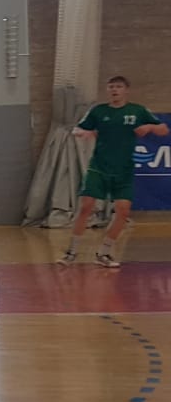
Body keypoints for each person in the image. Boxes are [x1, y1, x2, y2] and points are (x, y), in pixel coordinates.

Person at [58, 75, 167, 268]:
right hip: (99, 167)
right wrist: (85, 132)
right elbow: (76, 130)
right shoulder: (98, 111)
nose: (114, 90)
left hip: (123, 170)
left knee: (123, 211)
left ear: (126, 90)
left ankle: (104, 253)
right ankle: (71, 252)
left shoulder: (137, 111)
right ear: (107, 90)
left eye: (118, 86)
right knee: (86, 206)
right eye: (111, 87)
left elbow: (163, 129)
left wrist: (150, 127)